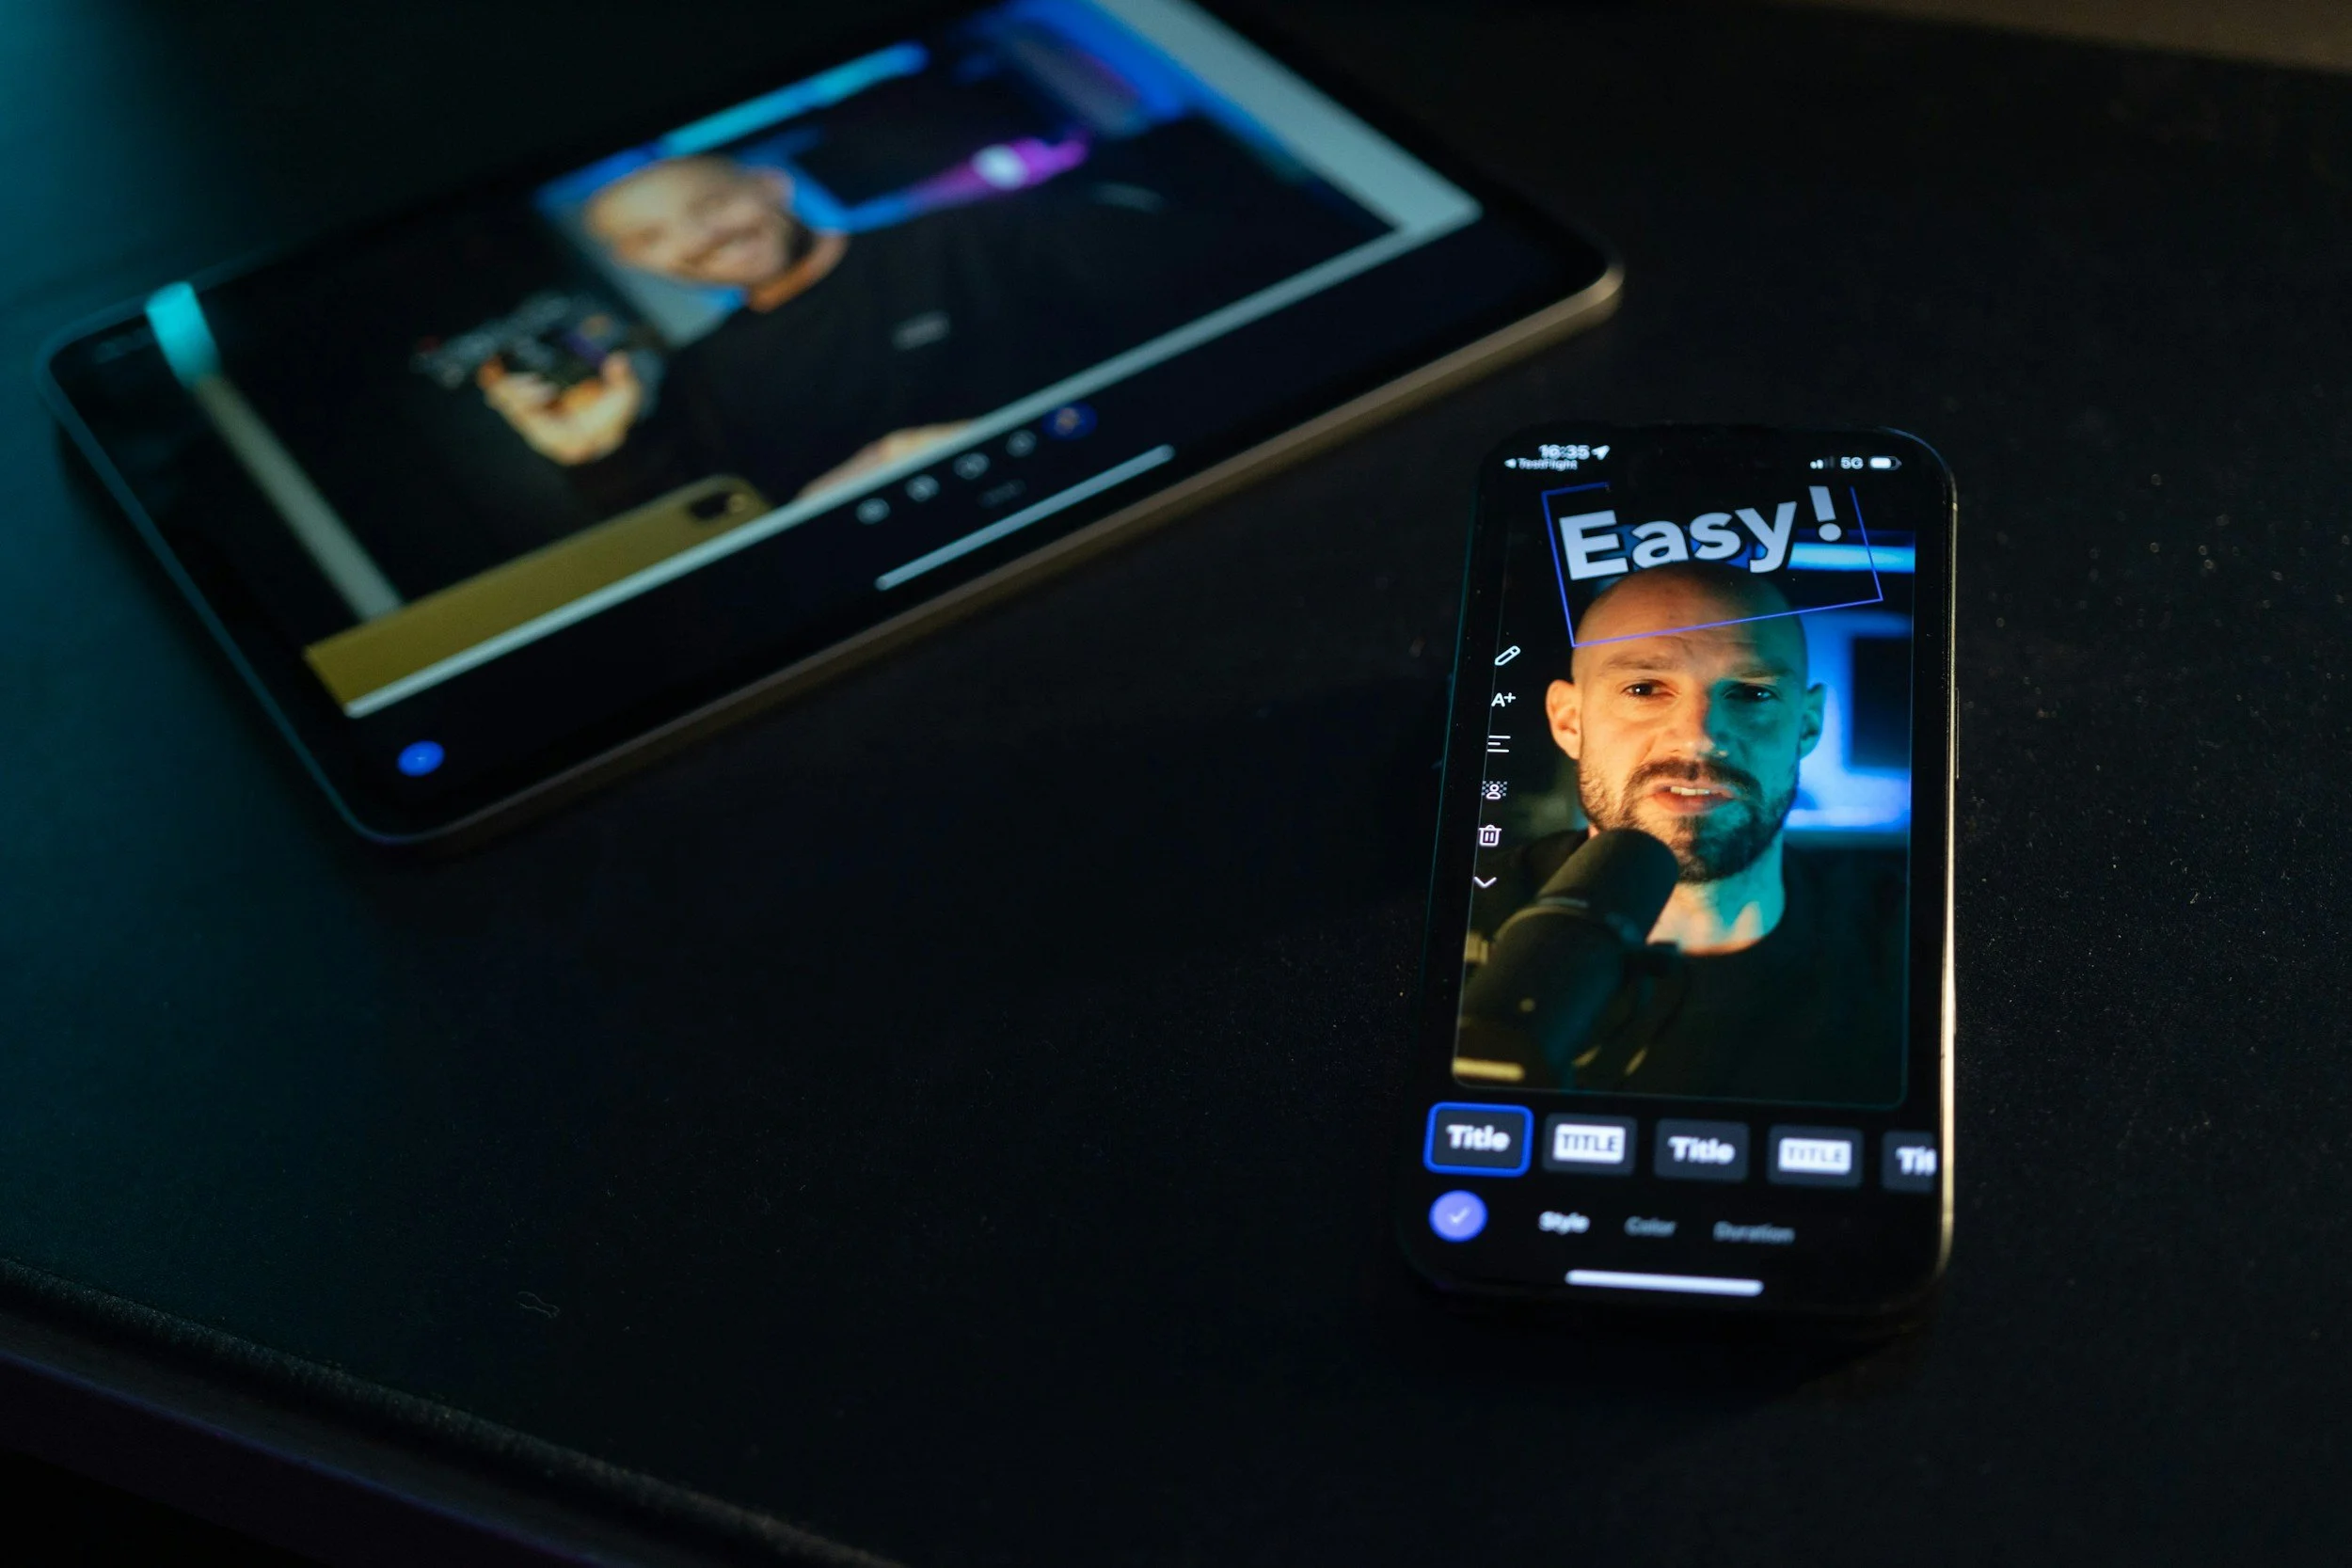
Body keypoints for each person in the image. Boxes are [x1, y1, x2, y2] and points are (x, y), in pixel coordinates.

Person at [480, 123, 1376, 507]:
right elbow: (722, 551)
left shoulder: (987, 238)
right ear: (641, 264)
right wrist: (601, 456)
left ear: (771, 186)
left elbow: (1268, 300)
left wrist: (1007, 437)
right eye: (655, 239)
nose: (697, 240)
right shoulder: (704, 375)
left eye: (708, 205)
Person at [1456, 562, 1907, 1102]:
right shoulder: (1450, 924)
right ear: (1569, 722)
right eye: (1644, 688)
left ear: (1807, 724)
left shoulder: (1913, 948)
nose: (1697, 739)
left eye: (1751, 693)